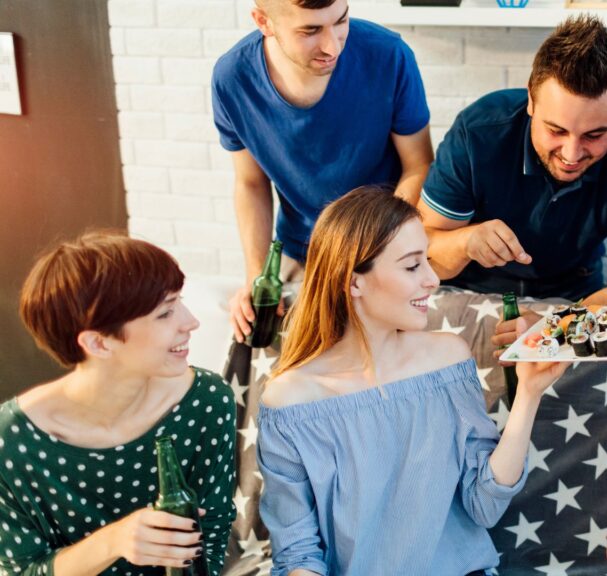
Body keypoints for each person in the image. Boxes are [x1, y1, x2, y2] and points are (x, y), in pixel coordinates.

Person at [256, 186, 568, 575]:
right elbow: (298, 555)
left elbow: (483, 505)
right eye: (411, 266)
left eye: (427, 261)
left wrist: (529, 394)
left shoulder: (447, 358)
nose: (432, 280)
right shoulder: (290, 403)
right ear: (354, 282)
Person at [418, 15, 607, 334]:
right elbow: (421, 251)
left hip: (576, 299)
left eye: (594, 135)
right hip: (472, 292)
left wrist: (558, 325)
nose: (572, 154)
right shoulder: (478, 132)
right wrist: (465, 241)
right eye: (556, 130)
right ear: (531, 102)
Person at [0, 233, 237, 575]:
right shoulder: (13, 441)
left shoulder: (207, 400)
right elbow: (22, 571)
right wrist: (114, 541)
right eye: (166, 313)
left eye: (179, 302)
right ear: (98, 343)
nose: (191, 322)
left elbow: (212, 536)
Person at [212, 0, 433, 343]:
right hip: (301, 252)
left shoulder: (390, 55)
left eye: (341, 21)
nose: (332, 46)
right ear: (263, 22)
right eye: (310, 30)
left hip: (382, 249)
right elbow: (251, 184)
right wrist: (257, 277)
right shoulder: (232, 78)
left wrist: (381, 256)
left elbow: (418, 165)